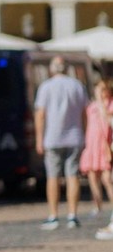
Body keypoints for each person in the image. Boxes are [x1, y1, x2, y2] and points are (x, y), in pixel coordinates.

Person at [35, 55, 89, 230]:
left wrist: (39, 139)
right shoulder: (77, 86)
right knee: (72, 176)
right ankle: (72, 215)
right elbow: (84, 113)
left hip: (53, 137)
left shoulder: (46, 87)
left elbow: (40, 115)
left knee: (53, 177)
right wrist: (85, 134)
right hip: (74, 136)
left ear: (52, 69)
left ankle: (53, 215)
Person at [79, 79, 113, 218]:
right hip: (92, 144)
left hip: (104, 145)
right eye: (98, 89)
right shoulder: (91, 106)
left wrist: (101, 103)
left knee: (107, 179)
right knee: (92, 177)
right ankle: (97, 205)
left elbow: (107, 121)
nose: (99, 92)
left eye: (102, 89)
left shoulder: (109, 104)